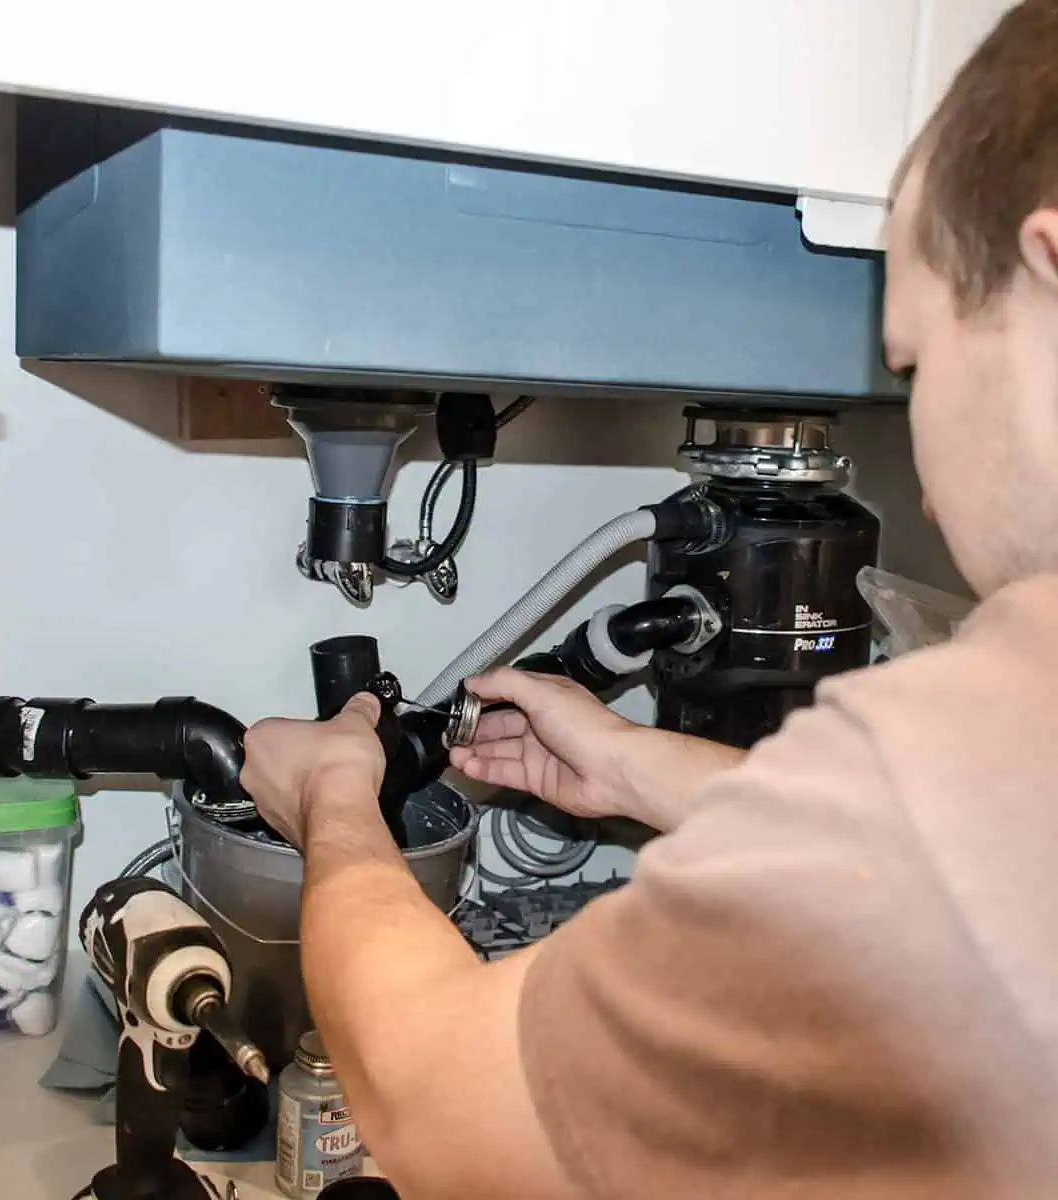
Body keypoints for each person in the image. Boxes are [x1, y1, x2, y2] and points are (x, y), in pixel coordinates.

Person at [240, 2, 1058, 1195]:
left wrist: (332, 804)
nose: (922, 481)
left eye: (918, 364)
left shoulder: (980, 741)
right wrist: (633, 766)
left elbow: (437, 1103)